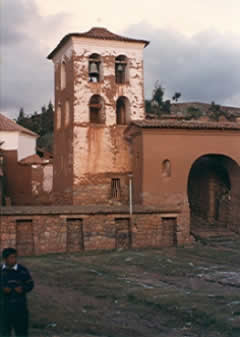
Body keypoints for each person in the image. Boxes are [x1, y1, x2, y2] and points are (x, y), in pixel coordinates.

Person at [0, 248, 34, 337]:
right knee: (4, 332)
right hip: (4, 308)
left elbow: (30, 284)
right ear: (5, 259)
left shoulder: (22, 270)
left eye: (15, 257)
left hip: (20, 308)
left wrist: (22, 288)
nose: (14, 260)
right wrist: (2, 289)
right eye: (11, 257)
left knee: (21, 332)